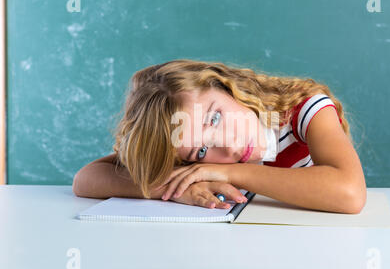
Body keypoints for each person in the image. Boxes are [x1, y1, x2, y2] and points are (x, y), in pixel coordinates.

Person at [73, 59, 366, 214]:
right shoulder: (188, 152)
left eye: (214, 117)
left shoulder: (302, 109)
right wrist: (172, 189)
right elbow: (86, 179)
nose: (227, 143)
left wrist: (228, 171)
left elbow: (350, 194)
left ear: (224, 85)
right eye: (200, 151)